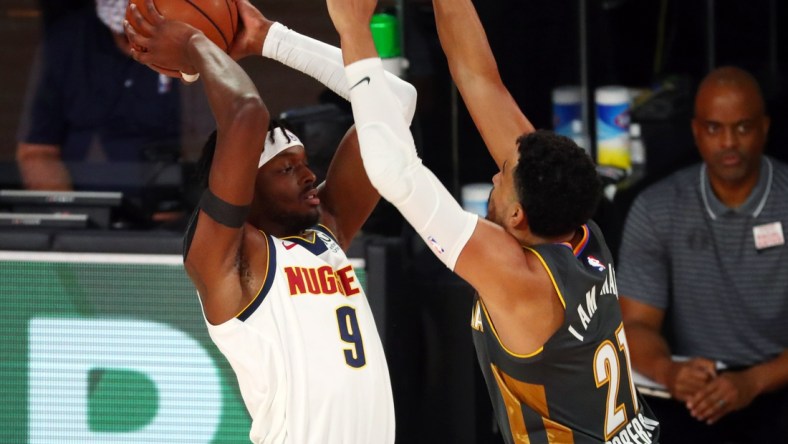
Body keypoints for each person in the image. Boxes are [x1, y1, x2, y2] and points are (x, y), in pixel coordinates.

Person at [325, 0, 660, 442]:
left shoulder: (518, 277)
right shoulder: (581, 233)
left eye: (502, 178)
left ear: (518, 215)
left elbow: (394, 172)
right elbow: (479, 78)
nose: (494, 174)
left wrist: (353, 28)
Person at [125, 0, 419, 441]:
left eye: (303, 162)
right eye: (286, 168)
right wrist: (194, 43)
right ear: (247, 186)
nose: (309, 174)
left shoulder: (328, 232)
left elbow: (395, 102)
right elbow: (246, 115)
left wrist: (270, 39)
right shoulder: (226, 259)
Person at [617, 66, 788, 443]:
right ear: (696, 131)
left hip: (779, 382)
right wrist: (669, 373)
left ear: (764, 127)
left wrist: (753, 381)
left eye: (742, 127)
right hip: (694, 387)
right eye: (714, 128)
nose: (728, 141)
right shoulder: (657, 207)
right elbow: (636, 325)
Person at [16, 0, 211, 195]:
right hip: (89, 210)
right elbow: (37, 152)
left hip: (176, 215)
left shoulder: (191, 43)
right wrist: (69, 210)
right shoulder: (66, 41)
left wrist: (185, 202)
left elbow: (215, 149)